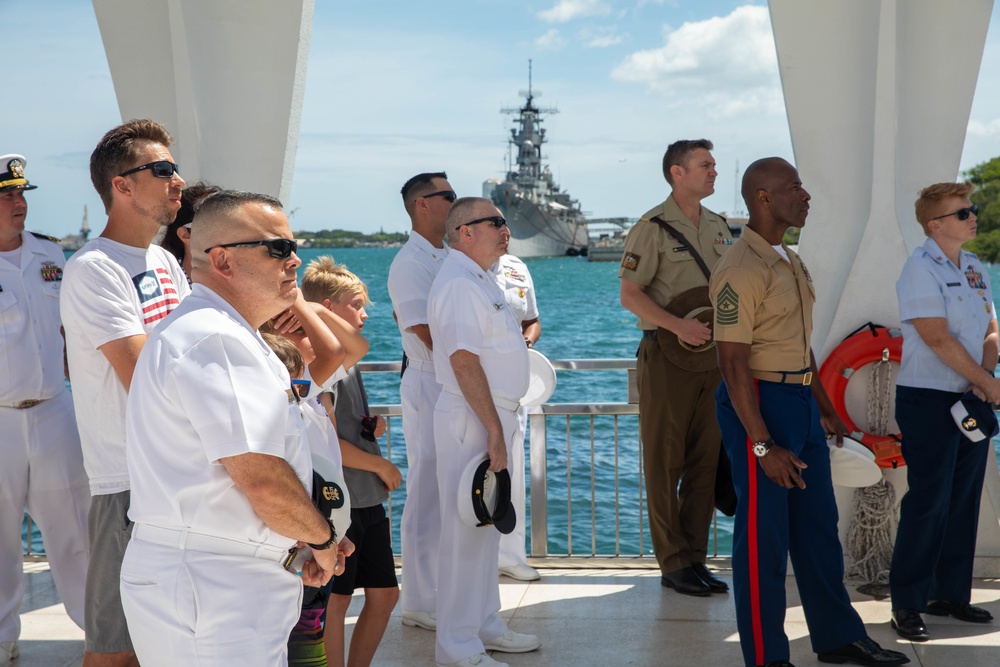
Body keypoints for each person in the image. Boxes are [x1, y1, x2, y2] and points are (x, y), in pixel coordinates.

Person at [119, 190, 344, 666]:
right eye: (277, 248)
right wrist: (322, 540)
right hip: (215, 583)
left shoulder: (220, 332)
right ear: (221, 260)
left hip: (217, 576)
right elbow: (261, 478)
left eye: (293, 244)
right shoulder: (216, 338)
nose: (294, 259)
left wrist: (307, 532)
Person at [711, 157, 908, 667]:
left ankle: (837, 637)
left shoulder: (789, 260)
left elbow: (800, 347)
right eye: (793, 187)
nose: (805, 195)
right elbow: (731, 363)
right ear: (763, 199)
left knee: (818, 530)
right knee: (764, 542)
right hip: (758, 405)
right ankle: (767, 656)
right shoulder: (740, 269)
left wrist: (824, 407)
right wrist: (761, 444)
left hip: (798, 403)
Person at [61, 119, 190, 667]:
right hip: (128, 483)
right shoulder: (94, 269)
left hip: (178, 474)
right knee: (116, 649)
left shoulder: (163, 263)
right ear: (122, 185)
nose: (178, 180)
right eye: (162, 169)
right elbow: (145, 378)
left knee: (170, 640)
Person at [428, 197, 541, 667]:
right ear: (464, 231)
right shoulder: (458, 283)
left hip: (494, 416)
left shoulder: (481, 278)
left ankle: (485, 624)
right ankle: (456, 646)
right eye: (495, 222)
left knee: (487, 527)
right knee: (464, 536)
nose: (506, 229)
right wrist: (493, 429)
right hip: (473, 419)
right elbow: (462, 360)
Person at [618, 138, 731, 596]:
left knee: (706, 460)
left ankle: (697, 558)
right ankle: (673, 563)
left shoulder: (721, 227)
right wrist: (677, 327)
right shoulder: (652, 227)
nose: (714, 172)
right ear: (677, 173)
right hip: (667, 356)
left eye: (714, 165)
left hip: (715, 357)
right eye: (705, 165)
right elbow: (630, 294)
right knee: (665, 463)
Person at [889, 182, 999, 641]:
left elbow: (992, 327)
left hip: (971, 398)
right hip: (929, 400)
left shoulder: (974, 267)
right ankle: (908, 604)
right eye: (962, 213)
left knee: (964, 498)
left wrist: (982, 379)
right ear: (936, 226)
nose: (972, 216)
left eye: (970, 210)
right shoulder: (919, 268)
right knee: (928, 502)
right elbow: (936, 337)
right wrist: (987, 381)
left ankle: (950, 595)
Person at [0, 154, 90, 667]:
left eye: (21, 193)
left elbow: (70, 337)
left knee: (77, 529)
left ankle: (101, 635)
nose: (20, 203)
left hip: (56, 412)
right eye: (8, 195)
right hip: (0, 420)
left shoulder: (50, 254)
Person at [301, 257, 401, 667]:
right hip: (343, 501)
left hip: (365, 499)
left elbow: (342, 426)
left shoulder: (348, 364)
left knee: (385, 594)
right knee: (337, 601)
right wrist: (380, 465)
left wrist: (370, 426)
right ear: (327, 306)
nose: (363, 314)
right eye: (357, 305)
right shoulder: (323, 363)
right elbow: (324, 442)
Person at [387, 171, 454, 630]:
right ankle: (417, 599)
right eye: (447, 195)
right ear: (421, 205)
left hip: (452, 382)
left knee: (449, 491)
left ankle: (440, 590)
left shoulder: (449, 256)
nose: (456, 201)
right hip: (431, 381)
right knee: (427, 490)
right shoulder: (410, 263)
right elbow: (424, 332)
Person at [489, 252, 541, 581]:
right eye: (495, 223)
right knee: (468, 477)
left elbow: (532, 320)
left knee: (513, 474)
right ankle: (469, 561)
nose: (503, 229)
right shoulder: (456, 266)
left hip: (512, 386)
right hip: (472, 381)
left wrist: (526, 342)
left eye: (504, 223)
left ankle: (510, 556)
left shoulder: (516, 268)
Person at [158, 181, 221, 279]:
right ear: (185, 234)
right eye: (214, 224)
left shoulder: (242, 279)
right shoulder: (165, 282)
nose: (229, 233)